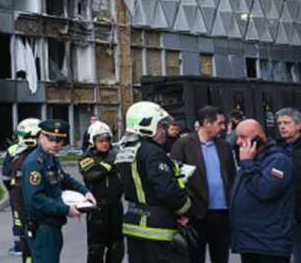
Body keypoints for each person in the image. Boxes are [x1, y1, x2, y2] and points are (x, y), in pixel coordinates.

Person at [116, 101, 191, 263]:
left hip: (133, 224)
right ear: (146, 126)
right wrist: (185, 206)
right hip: (157, 227)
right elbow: (166, 190)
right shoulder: (153, 152)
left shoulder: (125, 150)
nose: (164, 131)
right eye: (161, 127)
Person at [22, 119, 95, 263]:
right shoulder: (34, 163)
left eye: (59, 140)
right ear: (41, 137)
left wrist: (85, 191)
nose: (55, 144)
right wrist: (66, 209)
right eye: (51, 139)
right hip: (43, 227)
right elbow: (36, 199)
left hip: (52, 224)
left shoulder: (50, 158)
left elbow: (64, 178)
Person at [170, 106, 236, 263]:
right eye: (219, 123)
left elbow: (232, 177)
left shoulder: (224, 146)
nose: (223, 127)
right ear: (207, 123)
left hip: (222, 214)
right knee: (195, 257)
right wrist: (180, 212)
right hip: (195, 214)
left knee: (221, 257)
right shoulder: (183, 144)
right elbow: (174, 180)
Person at [230, 119, 293, 263]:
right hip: (251, 242)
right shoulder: (252, 159)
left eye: (243, 137)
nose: (238, 142)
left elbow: (266, 190)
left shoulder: (278, 160)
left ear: (259, 137)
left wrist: (247, 164)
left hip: (269, 244)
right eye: (237, 137)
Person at [79, 121, 124, 263]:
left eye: (107, 140)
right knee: (96, 248)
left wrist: (108, 164)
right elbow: (92, 174)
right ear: (93, 142)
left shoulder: (115, 156)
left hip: (116, 207)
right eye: (100, 141)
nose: (105, 144)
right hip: (97, 209)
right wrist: (109, 164)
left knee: (117, 246)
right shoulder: (86, 158)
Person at [2, 118, 40, 257]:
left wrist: (11, 189)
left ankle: (20, 246)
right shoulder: (42, 152)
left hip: (17, 190)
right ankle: (31, 244)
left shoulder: (13, 150)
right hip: (33, 191)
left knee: (19, 218)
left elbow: (5, 175)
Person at [275, 108, 301, 262]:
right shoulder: (278, 148)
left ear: (298, 125)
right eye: (279, 123)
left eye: (286, 123)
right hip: (284, 214)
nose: (282, 127)